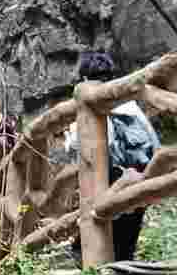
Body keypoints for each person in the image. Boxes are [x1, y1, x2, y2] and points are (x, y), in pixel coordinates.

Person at [66, 47, 160, 260]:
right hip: (139, 172)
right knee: (127, 233)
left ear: (84, 76)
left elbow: (92, 147)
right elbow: (153, 141)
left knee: (99, 226)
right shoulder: (128, 103)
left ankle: (93, 268)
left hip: (110, 177)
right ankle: (124, 267)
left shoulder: (92, 100)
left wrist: (71, 141)